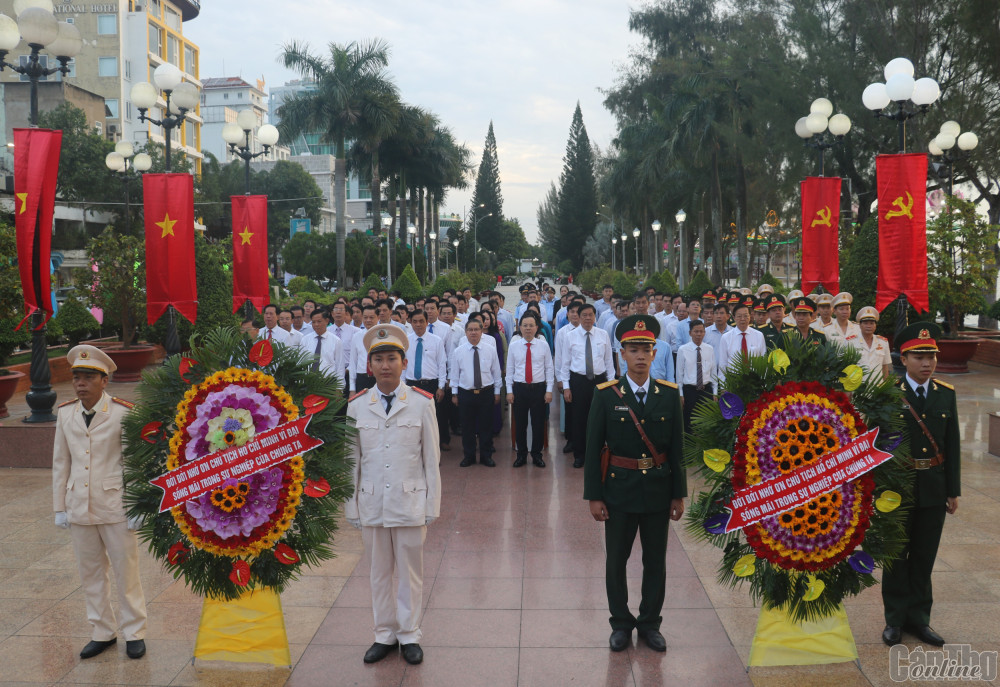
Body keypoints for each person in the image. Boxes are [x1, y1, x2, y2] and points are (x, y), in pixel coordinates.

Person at [583, 315, 685, 654]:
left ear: (655, 354)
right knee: (616, 561)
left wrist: (678, 493)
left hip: (657, 489)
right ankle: (621, 623)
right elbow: (592, 446)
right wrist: (594, 497)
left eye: (646, 349)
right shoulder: (606, 395)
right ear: (621, 355)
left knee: (655, 561)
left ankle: (650, 623)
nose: (640, 356)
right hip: (619, 491)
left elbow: (677, 449)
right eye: (633, 349)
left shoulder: (669, 396)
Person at [345, 324, 441, 666]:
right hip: (371, 502)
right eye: (379, 359)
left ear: (403, 363)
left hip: (409, 501)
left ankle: (410, 634)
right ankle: (383, 634)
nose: (385, 365)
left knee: (411, 573)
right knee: (378, 572)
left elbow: (432, 459)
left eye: (392, 358)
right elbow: (350, 461)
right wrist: (351, 506)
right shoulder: (357, 406)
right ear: (369, 365)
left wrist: (433, 503)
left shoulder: (420, 403)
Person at [52, 345, 147, 660]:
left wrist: (136, 506)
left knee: (125, 570)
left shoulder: (123, 412)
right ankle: (102, 631)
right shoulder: (66, 414)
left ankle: (134, 631)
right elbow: (60, 463)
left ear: (104, 381)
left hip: (115, 505)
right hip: (79, 504)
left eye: (89, 377)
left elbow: (133, 463)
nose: (81, 383)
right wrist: (59, 507)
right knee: (90, 572)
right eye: (77, 377)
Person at [881, 322, 960, 649]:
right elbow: (878, 447)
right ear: (904, 357)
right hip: (898, 488)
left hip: (933, 487)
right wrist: (877, 492)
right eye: (919, 356)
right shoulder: (888, 394)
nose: (927, 363)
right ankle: (895, 620)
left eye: (931, 356)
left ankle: (920, 619)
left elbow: (952, 443)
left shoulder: (946, 394)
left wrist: (953, 489)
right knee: (897, 555)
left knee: (925, 555)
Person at [561, 304, 615, 469]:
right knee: (579, 420)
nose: (587, 318)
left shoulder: (603, 335)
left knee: (599, 419)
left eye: (590, 315)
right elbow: (565, 364)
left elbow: (608, 362)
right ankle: (580, 455)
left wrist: (611, 384)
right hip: (578, 382)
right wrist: (566, 387)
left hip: (599, 381)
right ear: (578, 316)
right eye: (584, 315)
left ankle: (597, 454)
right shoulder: (570, 336)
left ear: (595, 317)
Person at [450, 317, 502, 467]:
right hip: (465, 393)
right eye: (470, 330)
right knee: (467, 427)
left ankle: (486, 456)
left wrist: (497, 392)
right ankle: (469, 456)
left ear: (481, 331)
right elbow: (454, 374)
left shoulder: (490, 350)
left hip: (486, 392)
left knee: (486, 426)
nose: (473, 333)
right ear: (465, 332)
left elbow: (496, 373)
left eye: (476, 329)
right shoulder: (458, 352)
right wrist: (454, 393)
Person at [506, 311, 554, 467]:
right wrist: (509, 391)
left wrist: (549, 390)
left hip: (538, 390)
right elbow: (510, 370)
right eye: (525, 325)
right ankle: (521, 455)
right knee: (520, 424)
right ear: (519, 327)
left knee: (538, 424)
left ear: (536, 327)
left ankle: (536, 454)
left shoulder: (543, 345)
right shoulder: (514, 346)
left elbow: (549, 368)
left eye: (531, 326)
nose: (528, 328)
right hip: (520, 389)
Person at [676, 319, 715, 434]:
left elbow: (713, 373)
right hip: (690, 390)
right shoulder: (682, 350)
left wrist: (715, 392)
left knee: (706, 421)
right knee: (689, 421)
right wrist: (681, 394)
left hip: (706, 389)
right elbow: (679, 375)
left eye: (701, 331)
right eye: (696, 331)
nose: (699, 334)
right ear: (690, 333)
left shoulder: (710, 349)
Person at [716, 302, 766, 382]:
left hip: (754, 378)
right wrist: (722, 386)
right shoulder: (726, 337)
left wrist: (764, 381)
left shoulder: (759, 335)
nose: (742, 319)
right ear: (734, 317)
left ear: (750, 317)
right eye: (739, 316)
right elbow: (722, 363)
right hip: (734, 378)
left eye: (745, 316)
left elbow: (763, 360)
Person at [299, 308, 344, 386]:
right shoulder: (305, 340)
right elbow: (301, 362)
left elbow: (340, 366)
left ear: (326, 321)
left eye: (319, 321)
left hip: (328, 382)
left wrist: (340, 388)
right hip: (309, 381)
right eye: (313, 322)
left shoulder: (336, 341)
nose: (316, 324)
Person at [481, 310, 508, 435]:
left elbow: (500, 353)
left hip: (494, 371)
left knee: (495, 399)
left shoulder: (495, 336)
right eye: (483, 319)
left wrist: (502, 368)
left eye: (487, 319)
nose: (485, 322)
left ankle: (495, 426)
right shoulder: (474, 335)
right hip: (480, 373)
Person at [852, 306, 892, 382]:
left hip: (877, 387)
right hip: (858, 387)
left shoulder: (883, 342)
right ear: (860, 325)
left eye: (872, 323)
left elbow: (885, 366)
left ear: (875, 326)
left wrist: (886, 387)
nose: (869, 326)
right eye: (865, 323)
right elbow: (846, 367)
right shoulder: (850, 342)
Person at [349, 305, 379, 392]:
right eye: (365, 317)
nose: (368, 320)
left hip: (379, 378)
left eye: (371, 317)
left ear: (377, 318)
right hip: (362, 378)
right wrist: (352, 388)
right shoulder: (356, 336)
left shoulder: (384, 335)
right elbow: (353, 363)